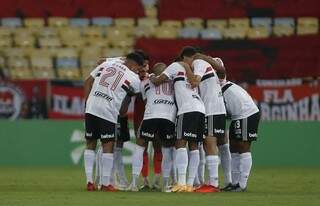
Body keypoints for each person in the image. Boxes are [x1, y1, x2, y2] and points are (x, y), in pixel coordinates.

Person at [83, 52, 143, 192]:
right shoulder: (134, 78)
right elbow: (138, 92)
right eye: (138, 68)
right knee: (108, 145)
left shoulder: (106, 64)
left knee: (90, 142)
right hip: (108, 111)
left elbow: (87, 82)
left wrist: (88, 103)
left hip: (91, 107)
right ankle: (105, 183)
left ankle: (89, 182)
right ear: (134, 65)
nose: (138, 71)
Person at [150, 57, 206, 192]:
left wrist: (151, 76)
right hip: (200, 108)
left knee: (180, 144)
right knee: (194, 146)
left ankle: (181, 183)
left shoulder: (175, 66)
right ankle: (190, 184)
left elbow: (158, 80)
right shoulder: (192, 74)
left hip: (187, 109)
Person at [180, 47, 227, 192]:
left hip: (212, 108)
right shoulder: (204, 64)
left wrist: (184, 74)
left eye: (184, 61)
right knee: (208, 144)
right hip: (214, 107)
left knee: (210, 142)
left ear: (188, 58)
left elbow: (195, 82)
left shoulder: (199, 63)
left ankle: (213, 184)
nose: (185, 64)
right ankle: (211, 182)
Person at [128, 63, 176, 192]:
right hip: (168, 117)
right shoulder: (173, 82)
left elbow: (145, 101)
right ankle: (166, 185)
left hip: (150, 116)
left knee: (139, 147)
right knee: (167, 150)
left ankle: (133, 183)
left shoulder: (144, 83)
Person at [220, 78, 260, 192]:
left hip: (246, 114)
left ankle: (242, 184)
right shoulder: (224, 88)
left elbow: (234, 108)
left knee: (243, 146)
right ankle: (234, 183)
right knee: (233, 148)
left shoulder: (226, 89)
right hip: (237, 117)